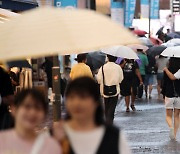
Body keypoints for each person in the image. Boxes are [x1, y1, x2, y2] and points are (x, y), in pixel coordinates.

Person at [53, 77, 131, 154]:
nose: (76, 103)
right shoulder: (56, 136)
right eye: (71, 97)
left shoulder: (113, 137)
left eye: (83, 97)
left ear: (95, 101)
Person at [0, 89, 61, 153]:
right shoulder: (2, 140)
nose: (32, 112)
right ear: (14, 109)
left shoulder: (51, 146)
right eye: (27, 107)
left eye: (37, 108)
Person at [97, 55, 123, 124]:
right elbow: (121, 79)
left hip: (104, 90)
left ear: (108, 58)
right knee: (112, 106)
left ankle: (107, 119)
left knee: (106, 105)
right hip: (115, 89)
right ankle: (110, 120)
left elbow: (99, 79)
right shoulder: (118, 67)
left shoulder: (102, 67)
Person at [162, 58, 180, 140]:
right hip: (179, 95)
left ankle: (171, 127)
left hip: (169, 94)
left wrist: (163, 94)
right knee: (177, 116)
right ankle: (175, 135)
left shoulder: (167, 70)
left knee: (168, 115)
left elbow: (164, 83)